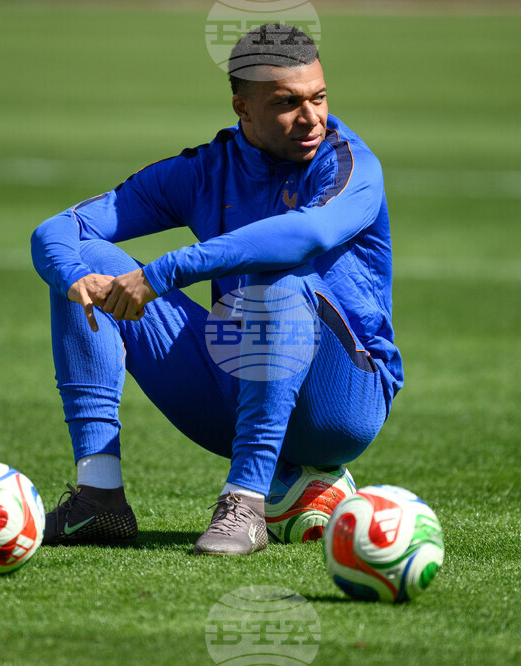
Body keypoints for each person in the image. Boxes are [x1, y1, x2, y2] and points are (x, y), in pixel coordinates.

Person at [30, 24, 402, 556]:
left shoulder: (351, 164)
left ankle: (246, 501)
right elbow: (57, 231)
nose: (312, 117)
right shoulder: (206, 170)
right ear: (242, 108)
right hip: (234, 389)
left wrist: (161, 273)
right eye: (287, 103)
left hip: (343, 402)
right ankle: (98, 497)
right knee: (84, 268)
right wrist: (71, 276)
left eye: (319, 97)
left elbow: (303, 237)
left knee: (275, 274)